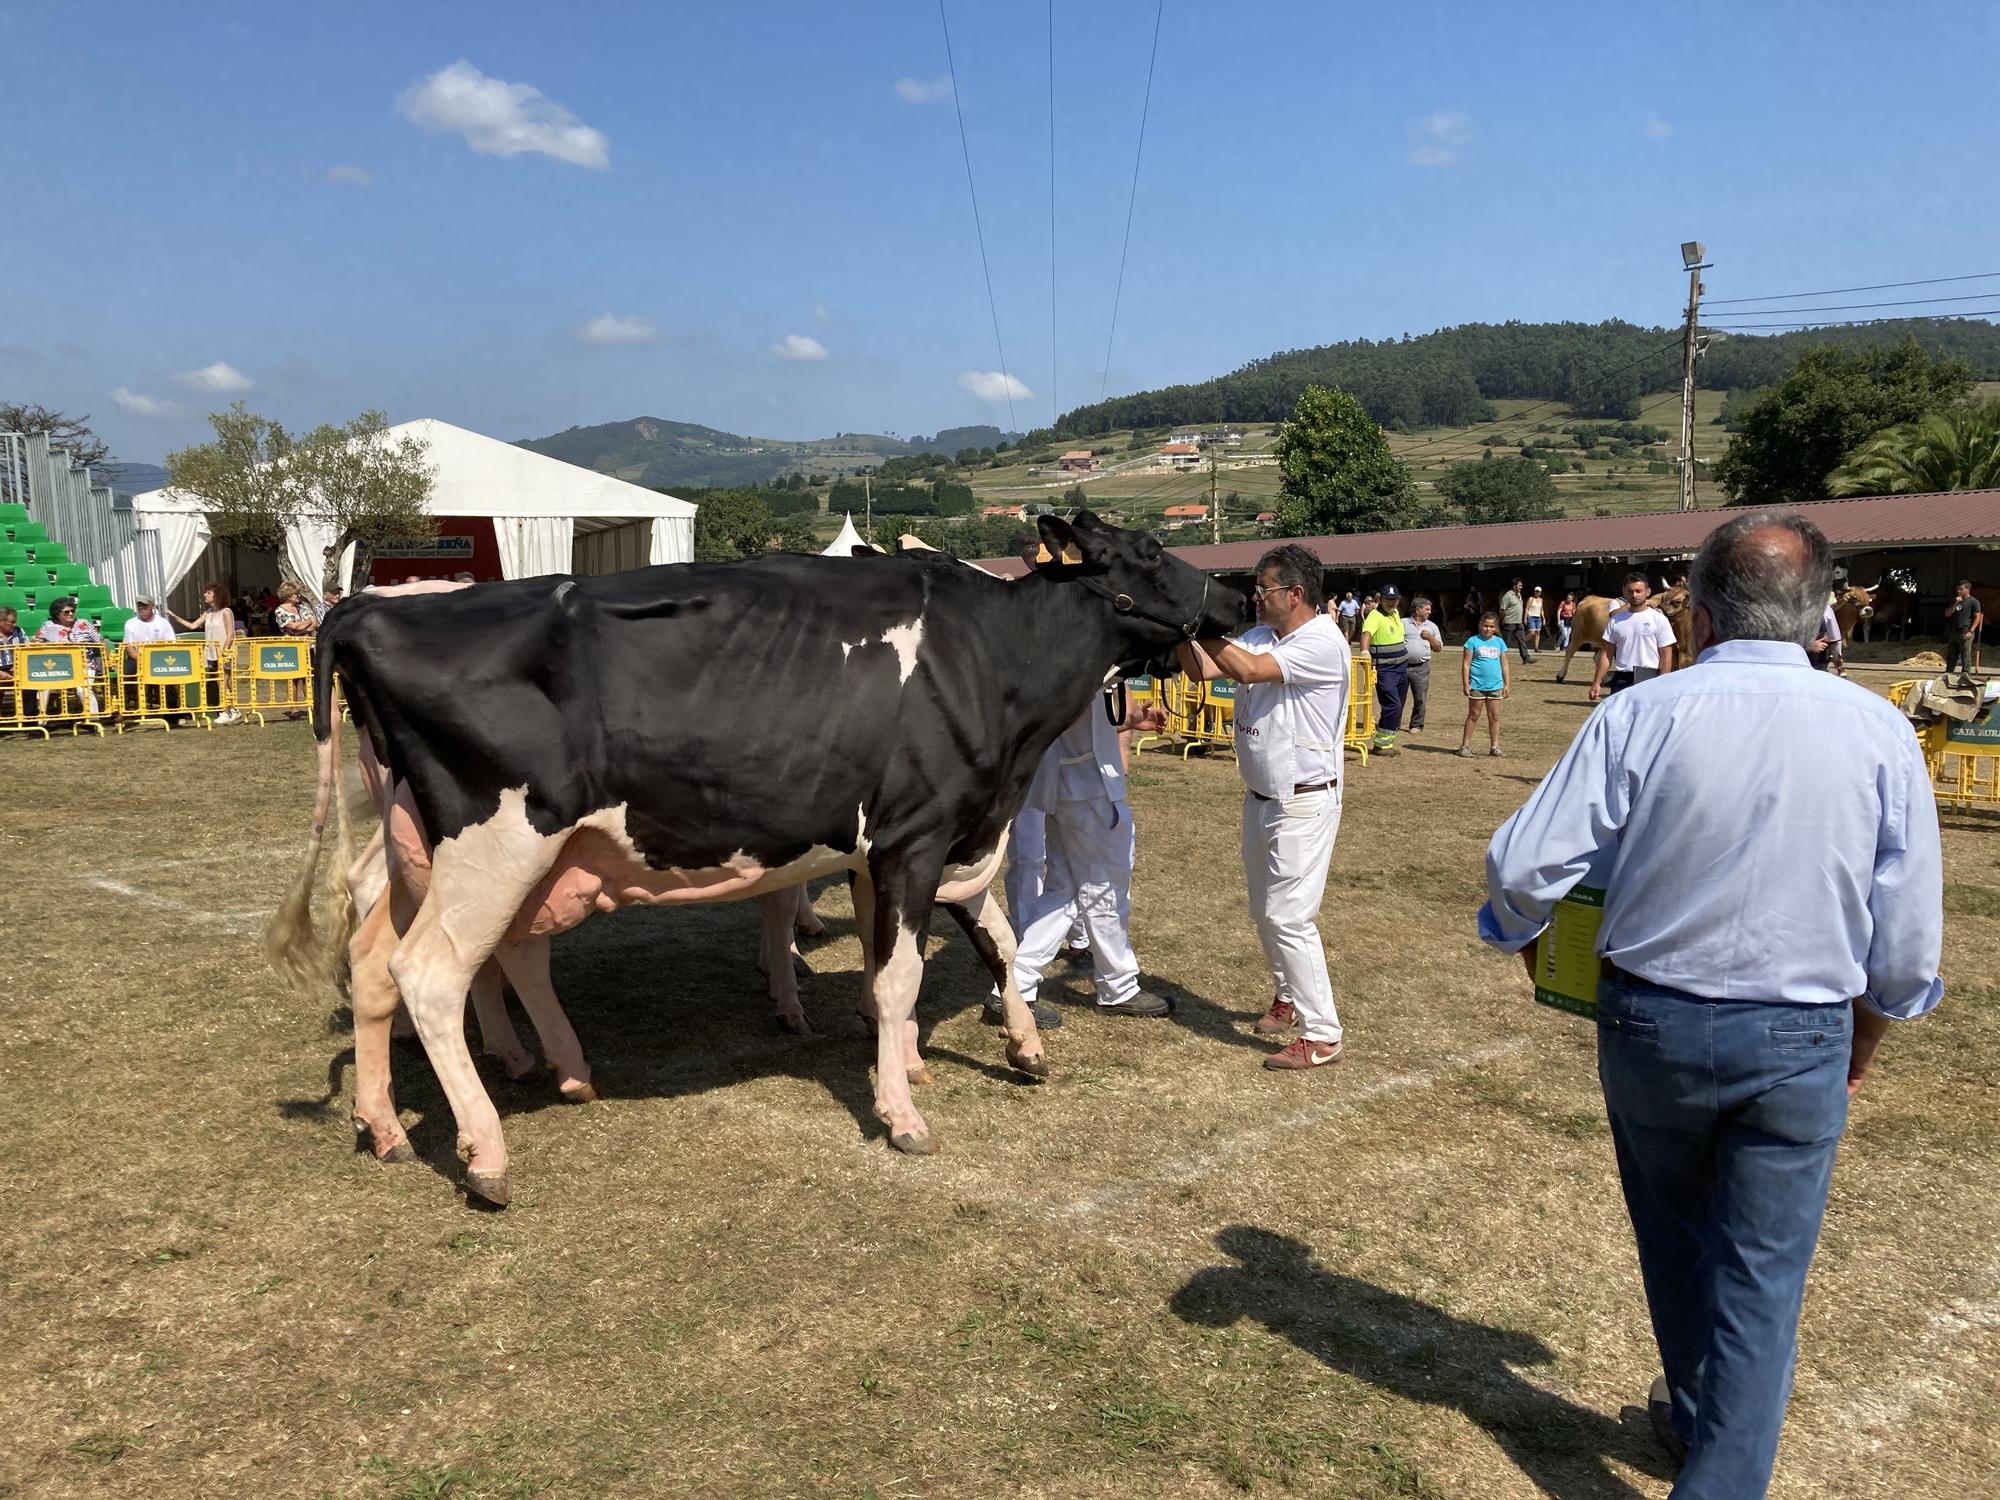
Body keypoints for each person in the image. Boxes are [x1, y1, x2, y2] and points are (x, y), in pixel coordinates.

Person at [1477, 508, 1943, 1498]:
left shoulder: (1640, 714)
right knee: (1760, 1275)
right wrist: (1864, 1036)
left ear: (1692, 613)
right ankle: (1712, 1451)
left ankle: (1699, 1422)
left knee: (1676, 1237)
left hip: (1654, 1022)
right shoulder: (1877, 730)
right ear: (1823, 617)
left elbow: (1521, 865)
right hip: (1800, 1030)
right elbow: (1902, 943)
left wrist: (1525, 945)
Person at [1176, 543, 1351, 1073]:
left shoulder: (1320, 640)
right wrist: (1176, 627)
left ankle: (1323, 1034)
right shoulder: (1263, 635)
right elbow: (1201, 670)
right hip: (1262, 796)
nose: (1255, 598)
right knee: (1264, 910)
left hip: (1305, 798)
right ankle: (1288, 996)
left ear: (1296, 594)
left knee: (1288, 916)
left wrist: (1197, 622)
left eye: (1264, 589)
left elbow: (1247, 671)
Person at [1008, 687, 1173, 1023]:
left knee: (1062, 893)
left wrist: (1129, 719)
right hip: (1088, 786)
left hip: (1072, 782)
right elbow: (1075, 707)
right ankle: (1118, 986)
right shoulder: (1083, 655)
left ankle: (1014, 986)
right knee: (1105, 890)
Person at [1590, 572, 1677, 701]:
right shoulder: (1615, 621)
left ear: (1648, 592)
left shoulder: (1658, 619)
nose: (1634, 595)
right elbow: (1606, 655)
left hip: (1648, 677)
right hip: (1621, 678)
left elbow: (1666, 654)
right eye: (1630, 591)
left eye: (1638, 591)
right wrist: (1597, 682)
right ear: (1624, 592)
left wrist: (1663, 682)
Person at [167, 583, 241, 724]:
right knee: (223, 682)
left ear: (217, 595)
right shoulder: (208, 612)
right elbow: (193, 625)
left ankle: (226, 711)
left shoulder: (226, 612)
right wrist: (175, 616)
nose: (205, 595)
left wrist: (224, 651)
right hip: (211, 653)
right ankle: (233, 709)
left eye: (209, 593)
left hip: (225, 652)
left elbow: (231, 634)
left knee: (223, 682)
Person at [1357, 583, 1408, 754]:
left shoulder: (1395, 613)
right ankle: (1381, 745)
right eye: (1387, 599)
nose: (1391, 602)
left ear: (1398, 600)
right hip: (1385, 669)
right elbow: (1366, 634)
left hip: (1401, 668)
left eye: (1394, 599)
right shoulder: (1374, 616)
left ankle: (1387, 743)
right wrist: (1364, 651)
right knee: (1392, 706)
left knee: (1398, 706)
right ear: (1380, 600)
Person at [1458, 611, 1510, 757]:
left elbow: (1504, 665)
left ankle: (1495, 746)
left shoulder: (1499, 642)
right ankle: (1465, 745)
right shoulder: (1472, 641)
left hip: (1496, 686)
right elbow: (1466, 664)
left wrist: (1507, 684)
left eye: (1491, 626)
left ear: (1495, 628)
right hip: (1477, 685)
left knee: (1494, 716)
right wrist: (1466, 683)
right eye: (1485, 626)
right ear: (1480, 626)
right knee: (1474, 715)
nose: (1488, 629)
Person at [121, 594, 177, 715]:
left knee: (170, 674)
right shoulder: (130, 623)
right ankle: (126, 708)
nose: (141, 607)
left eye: (145, 605)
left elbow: (171, 644)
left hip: (160, 658)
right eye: (139, 605)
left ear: (152, 606)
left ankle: (173, 712)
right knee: (125, 672)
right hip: (137, 658)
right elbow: (129, 648)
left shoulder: (163, 623)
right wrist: (143, 661)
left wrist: (156, 661)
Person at [1401, 596, 1443, 733]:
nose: (1430, 612)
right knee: (1398, 697)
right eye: (1427, 609)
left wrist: (1430, 637)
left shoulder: (1432, 627)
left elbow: (1438, 648)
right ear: (1418, 610)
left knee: (1420, 698)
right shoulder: (1402, 623)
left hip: (1421, 668)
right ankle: (1393, 724)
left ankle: (1416, 725)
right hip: (1401, 666)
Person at [1946, 579, 1983, 676]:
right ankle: (1949, 672)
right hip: (1954, 631)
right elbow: (1947, 614)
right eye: (1957, 589)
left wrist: (1971, 631)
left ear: (1967, 589)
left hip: (1965, 631)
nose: (1958, 591)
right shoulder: (1955, 600)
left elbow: (1977, 617)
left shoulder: (1974, 602)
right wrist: (1955, 604)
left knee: (1965, 653)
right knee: (1951, 654)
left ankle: (1965, 674)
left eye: (1961, 589)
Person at [1498, 577, 1533, 664]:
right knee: (1505, 642)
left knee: (1522, 641)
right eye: (1519, 585)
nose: (1521, 587)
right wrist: (1502, 621)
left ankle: (1526, 658)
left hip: (1518, 623)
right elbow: (1502, 610)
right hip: (1509, 622)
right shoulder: (1507, 596)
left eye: (1521, 586)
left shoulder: (1519, 595)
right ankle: (1497, 658)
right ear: (1514, 586)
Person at [0, 606, 26, 719]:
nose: (14, 625)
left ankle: (29, 721)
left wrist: (18, 666)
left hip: (17, 667)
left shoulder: (19, 631)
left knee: (30, 684)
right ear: (1, 622)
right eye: (12, 622)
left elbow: (27, 651)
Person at [1808, 597, 1844, 674]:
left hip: (1817, 662)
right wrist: (1806, 646)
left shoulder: (1826, 609)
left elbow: (1835, 640)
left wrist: (1837, 659)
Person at [1524, 586, 1546, 652]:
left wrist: (1544, 618)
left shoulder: (1541, 600)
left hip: (1538, 617)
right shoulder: (1531, 599)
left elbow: (1541, 610)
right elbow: (1527, 608)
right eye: (1536, 591)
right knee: (1532, 632)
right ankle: (1523, 642)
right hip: (1531, 616)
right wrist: (1525, 618)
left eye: (1538, 592)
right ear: (1534, 591)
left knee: (1538, 632)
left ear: (1540, 593)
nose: (1537, 593)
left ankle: (1536, 647)